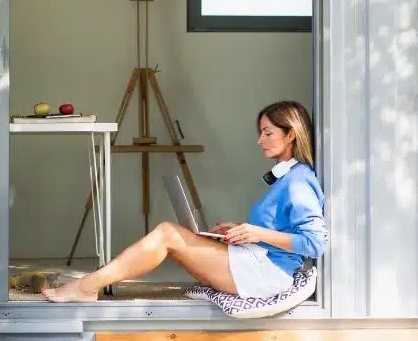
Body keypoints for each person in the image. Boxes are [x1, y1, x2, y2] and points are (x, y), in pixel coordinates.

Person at [41, 100, 328, 303]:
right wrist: (241, 229)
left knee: (168, 233)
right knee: (174, 238)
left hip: (267, 274)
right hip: (257, 261)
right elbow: (279, 229)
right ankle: (90, 285)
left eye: (268, 133)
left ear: (291, 134)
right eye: (260, 133)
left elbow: (315, 243)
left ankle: (88, 286)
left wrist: (256, 233)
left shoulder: (299, 181)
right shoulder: (287, 177)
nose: (260, 140)